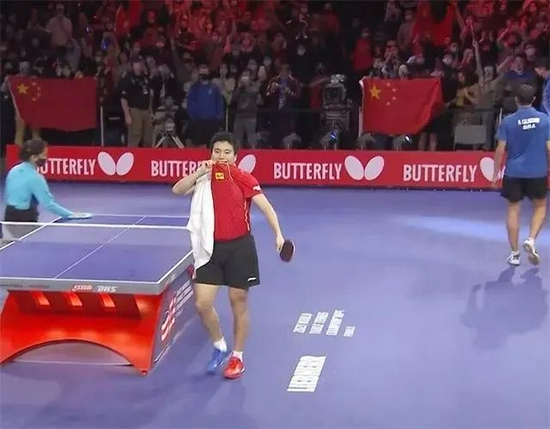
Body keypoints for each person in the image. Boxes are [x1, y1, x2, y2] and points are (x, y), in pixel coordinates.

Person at [172, 131, 286, 379]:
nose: (221, 156)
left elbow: (266, 207)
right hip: (210, 248)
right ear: (211, 153)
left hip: (239, 248)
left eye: (226, 152)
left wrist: (278, 235)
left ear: (235, 156)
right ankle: (219, 345)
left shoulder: (243, 178)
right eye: (217, 151)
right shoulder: (204, 177)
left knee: (238, 301)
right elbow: (178, 190)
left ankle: (237, 357)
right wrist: (199, 172)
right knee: (202, 303)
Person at [492, 84, 550, 266]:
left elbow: (500, 149)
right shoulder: (545, 120)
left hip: (514, 172)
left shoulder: (508, 121)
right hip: (537, 171)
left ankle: (515, 254)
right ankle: (531, 239)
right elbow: (549, 148)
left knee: (513, 209)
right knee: (540, 206)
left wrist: (495, 174)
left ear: (516, 100)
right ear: (534, 99)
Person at [2, 139, 90, 240]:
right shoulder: (36, 177)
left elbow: (8, 195)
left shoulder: (13, 170)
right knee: (29, 245)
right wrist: (71, 214)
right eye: (44, 155)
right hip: (25, 217)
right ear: (33, 157)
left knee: (17, 245)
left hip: (8, 215)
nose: (46, 158)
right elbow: (49, 204)